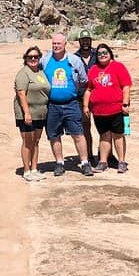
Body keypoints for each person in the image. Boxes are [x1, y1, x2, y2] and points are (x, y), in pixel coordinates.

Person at [40, 32, 93, 176]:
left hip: (71, 103)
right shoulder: (45, 60)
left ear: (65, 44)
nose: (56, 46)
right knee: (54, 135)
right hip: (52, 105)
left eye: (59, 43)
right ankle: (59, 163)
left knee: (78, 134)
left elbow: (83, 80)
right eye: (54, 44)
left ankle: (84, 162)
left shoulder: (74, 60)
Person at [84, 43, 132, 174]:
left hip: (116, 109)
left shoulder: (118, 67)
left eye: (105, 52)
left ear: (110, 53)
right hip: (99, 111)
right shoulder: (93, 69)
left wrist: (125, 103)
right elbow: (89, 89)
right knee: (104, 136)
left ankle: (121, 162)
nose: (102, 55)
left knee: (118, 135)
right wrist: (85, 106)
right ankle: (103, 162)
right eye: (99, 54)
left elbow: (126, 86)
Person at [14, 46, 50, 182]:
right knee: (27, 141)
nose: (33, 59)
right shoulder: (23, 73)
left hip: (40, 112)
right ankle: (26, 170)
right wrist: (27, 113)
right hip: (27, 113)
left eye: (36, 57)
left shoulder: (40, 72)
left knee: (36, 141)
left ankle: (34, 168)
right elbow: (21, 93)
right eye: (30, 57)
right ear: (25, 59)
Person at [73, 29, 97, 162]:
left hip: (99, 95)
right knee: (85, 126)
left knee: (103, 127)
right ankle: (89, 155)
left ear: (91, 40)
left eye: (88, 40)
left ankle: (107, 156)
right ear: (79, 42)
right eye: (83, 40)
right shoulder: (74, 58)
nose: (86, 42)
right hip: (81, 97)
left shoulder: (98, 54)